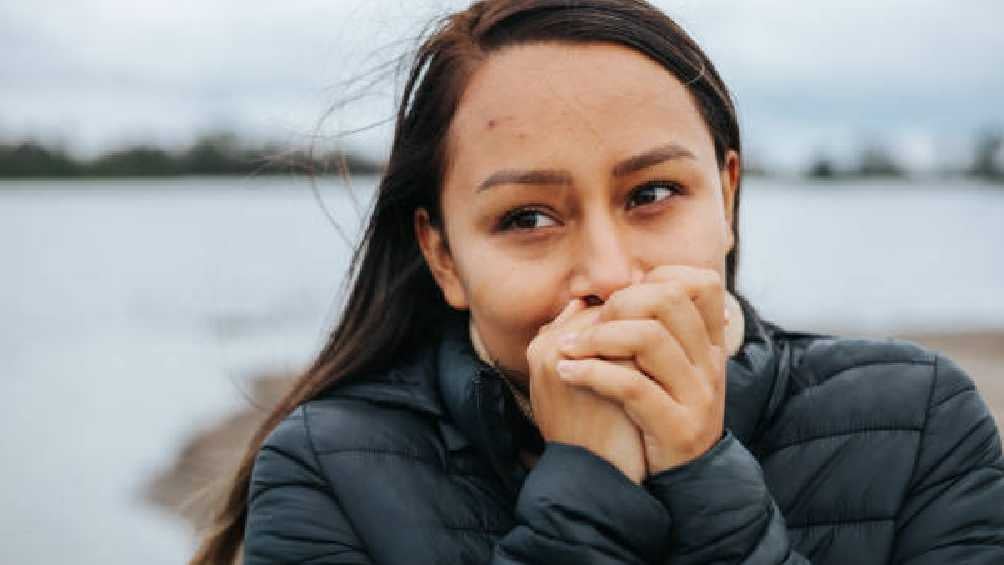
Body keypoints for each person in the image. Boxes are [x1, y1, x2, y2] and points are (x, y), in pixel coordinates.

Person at [191, 1, 1004, 563]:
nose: (612, 274)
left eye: (651, 195)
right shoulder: (328, 472)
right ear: (444, 257)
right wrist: (588, 486)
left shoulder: (921, 418)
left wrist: (703, 472)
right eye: (527, 218)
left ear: (725, 195)